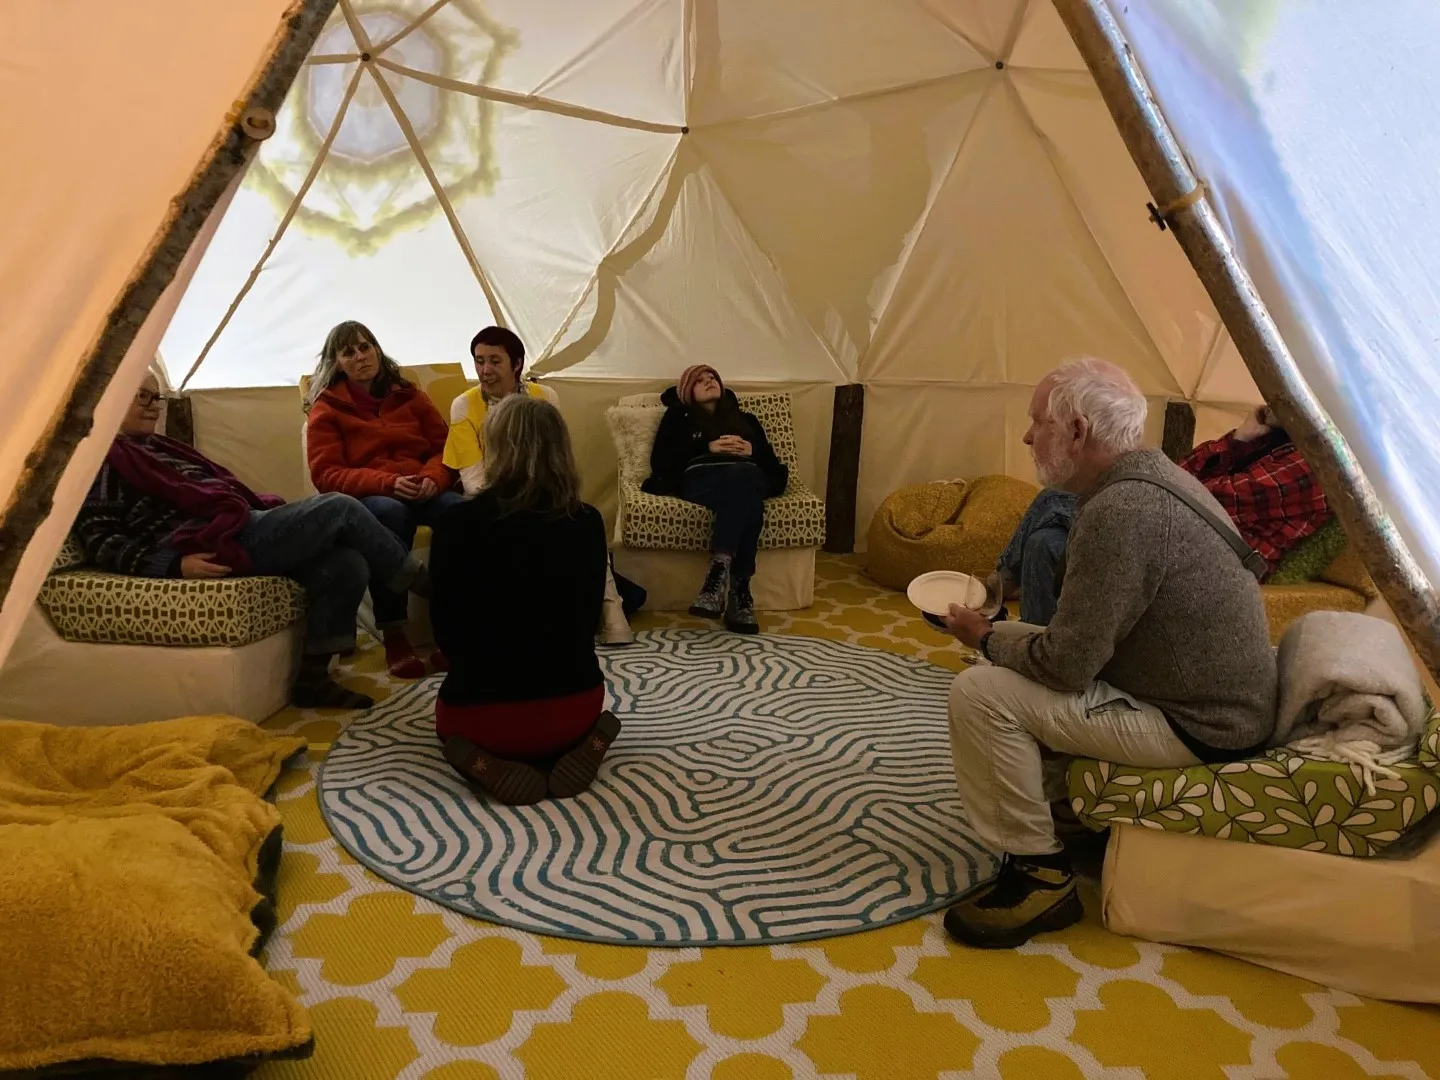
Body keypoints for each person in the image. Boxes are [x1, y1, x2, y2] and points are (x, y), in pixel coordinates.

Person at [940, 358, 1277, 949]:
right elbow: (1073, 642)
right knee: (1012, 644)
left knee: (981, 692)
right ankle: (1068, 814)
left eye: (1036, 422)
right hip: (1206, 697)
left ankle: (1040, 871)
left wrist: (983, 638)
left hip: (1201, 726)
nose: (1025, 436)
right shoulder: (1153, 479)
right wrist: (998, 638)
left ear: (1076, 431)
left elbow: (1067, 667)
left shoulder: (1122, 512)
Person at [73, 374, 429, 710]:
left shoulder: (158, 447)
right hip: (217, 540)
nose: (154, 405)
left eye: (158, 397)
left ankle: (312, 680)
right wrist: (172, 564)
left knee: (347, 562)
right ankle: (421, 583)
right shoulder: (104, 462)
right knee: (340, 508)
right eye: (143, 396)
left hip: (234, 525)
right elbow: (100, 539)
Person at [429, 394, 621, 805]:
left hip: (478, 717)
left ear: (495, 448)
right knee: (587, 712)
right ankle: (591, 741)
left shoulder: (455, 523)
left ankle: (484, 763)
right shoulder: (587, 521)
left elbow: (445, 632)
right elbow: (587, 622)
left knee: (449, 730)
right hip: (575, 707)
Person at [992, 405, 1330, 626]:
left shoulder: (1314, 464)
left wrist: (1153, 485)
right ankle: (1038, 646)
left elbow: (1200, 497)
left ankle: (1000, 584)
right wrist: (1240, 439)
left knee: (1056, 499)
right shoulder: (1271, 444)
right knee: (1044, 542)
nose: (1270, 397)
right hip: (1179, 531)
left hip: (1215, 559)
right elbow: (1177, 471)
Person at [444, 325, 634, 645]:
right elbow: (474, 479)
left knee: (585, 518)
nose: (485, 370)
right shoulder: (463, 405)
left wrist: (544, 496)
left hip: (543, 492)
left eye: (494, 361)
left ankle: (613, 618)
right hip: (493, 497)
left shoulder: (545, 397)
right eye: (479, 361)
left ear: (516, 364)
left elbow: (556, 457)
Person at [305, 321, 462, 678]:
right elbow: (326, 474)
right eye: (349, 352)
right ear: (337, 363)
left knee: (458, 512)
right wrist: (387, 483)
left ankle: (450, 629)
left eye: (365, 346)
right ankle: (394, 632)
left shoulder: (410, 395)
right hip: (375, 494)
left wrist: (434, 479)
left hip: (422, 484)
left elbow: (445, 449)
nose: (360, 356)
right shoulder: (327, 409)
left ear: (377, 349)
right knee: (389, 514)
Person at [642, 365, 789, 634]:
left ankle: (717, 574)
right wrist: (704, 447)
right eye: (700, 380)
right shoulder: (678, 418)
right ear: (688, 391)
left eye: (712, 378)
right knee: (749, 499)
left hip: (747, 473)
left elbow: (772, 465)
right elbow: (661, 462)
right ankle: (740, 594)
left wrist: (751, 450)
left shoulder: (747, 420)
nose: (709, 382)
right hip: (703, 478)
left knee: (743, 479)